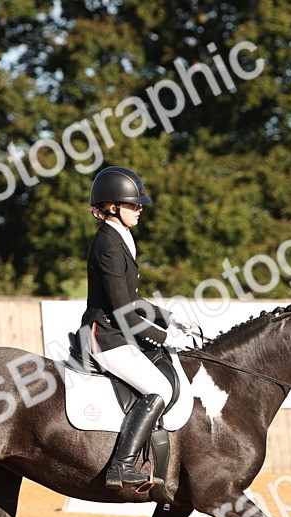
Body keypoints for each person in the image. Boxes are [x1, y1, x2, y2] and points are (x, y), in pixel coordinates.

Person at [79, 166, 196, 491]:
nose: (140, 208)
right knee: (158, 388)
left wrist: (167, 317)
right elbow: (122, 311)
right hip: (104, 335)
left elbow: (131, 298)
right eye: (133, 204)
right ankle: (122, 466)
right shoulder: (108, 245)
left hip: (115, 329)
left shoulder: (120, 237)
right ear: (112, 207)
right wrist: (162, 336)